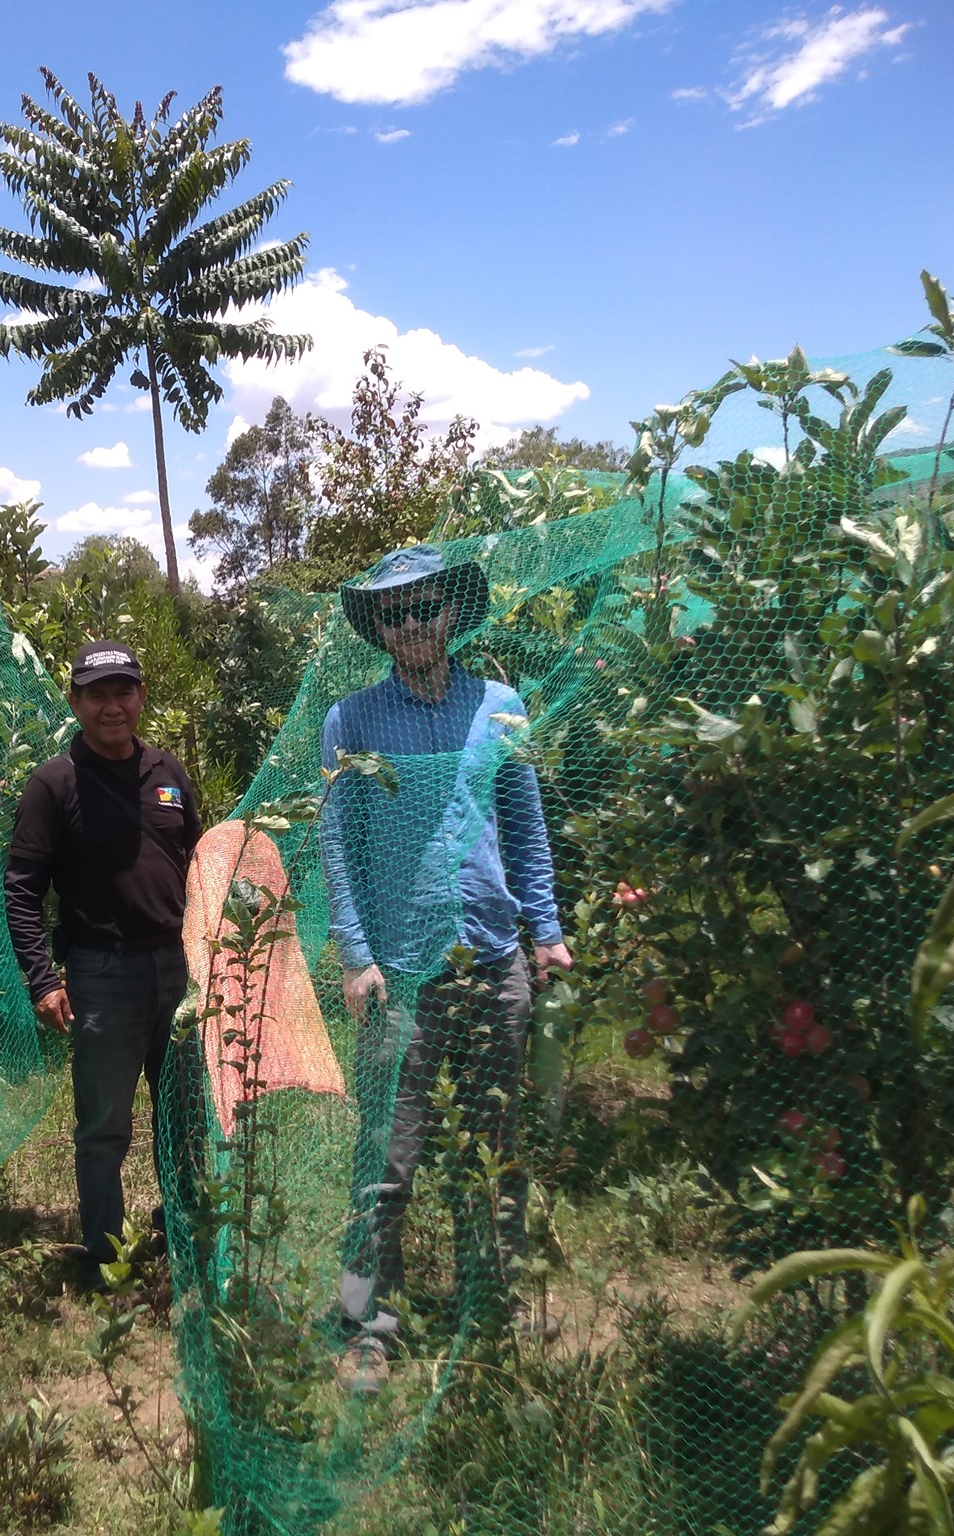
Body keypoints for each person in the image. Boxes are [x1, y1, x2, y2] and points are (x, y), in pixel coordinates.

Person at [319, 545, 572, 1390]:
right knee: (387, 1159)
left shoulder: (500, 708)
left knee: (494, 1147)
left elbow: (526, 829)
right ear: (379, 629)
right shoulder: (350, 722)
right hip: (401, 972)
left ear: (452, 612)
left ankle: (489, 1309)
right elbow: (339, 847)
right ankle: (365, 1324)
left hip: (493, 957)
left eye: (425, 606)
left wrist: (546, 931)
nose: (412, 624)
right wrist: (356, 959)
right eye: (394, 613)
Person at [4, 640, 201, 1290]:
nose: (112, 706)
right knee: (102, 1128)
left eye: (124, 691)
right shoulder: (53, 784)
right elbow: (23, 888)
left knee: (183, 1117)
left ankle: (183, 1233)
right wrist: (42, 978)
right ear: (76, 702)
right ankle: (104, 1258)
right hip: (101, 976)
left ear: (141, 697)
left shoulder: (168, 773)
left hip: (175, 972)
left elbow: (198, 867)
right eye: (97, 694)